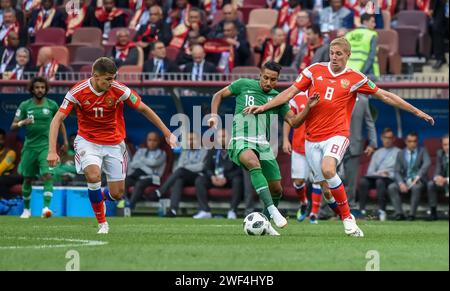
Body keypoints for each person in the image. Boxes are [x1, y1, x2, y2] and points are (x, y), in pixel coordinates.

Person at [244, 37, 434, 237]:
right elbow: (290, 92)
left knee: (328, 169)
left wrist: (416, 111)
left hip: (337, 135)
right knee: (326, 192)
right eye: (332, 53)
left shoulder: (355, 78)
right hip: (311, 139)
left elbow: (385, 95)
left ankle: (347, 219)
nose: (334, 57)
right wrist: (264, 106)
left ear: (348, 55)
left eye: (339, 54)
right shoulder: (314, 70)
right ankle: (344, 215)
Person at [47, 57, 177, 234]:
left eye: (113, 78)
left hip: (114, 143)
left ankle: (97, 198)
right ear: (95, 75)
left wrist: (167, 133)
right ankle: (102, 223)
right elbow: (57, 119)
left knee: (117, 194)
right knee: (93, 176)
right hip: (88, 141)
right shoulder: (77, 92)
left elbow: (144, 109)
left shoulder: (119, 90)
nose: (111, 82)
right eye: (108, 79)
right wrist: (52, 151)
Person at [208, 61, 320, 235]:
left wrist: (308, 109)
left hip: (262, 144)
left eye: (273, 79)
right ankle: (274, 213)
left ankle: (266, 224)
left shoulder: (278, 98)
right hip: (240, 139)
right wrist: (214, 116)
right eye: (266, 78)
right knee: (253, 163)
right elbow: (218, 95)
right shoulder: (243, 84)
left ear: (278, 79)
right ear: (260, 75)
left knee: (277, 189)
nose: (268, 82)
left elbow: (295, 122)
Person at [11, 76, 69, 219]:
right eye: (37, 87)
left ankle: (46, 209)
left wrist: (65, 141)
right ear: (32, 89)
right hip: (30, 147)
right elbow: (13, 126)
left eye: (42, 87)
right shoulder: (25, 105)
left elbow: (60, 122)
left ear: (46, 89)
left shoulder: (52, 105)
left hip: (46, 147)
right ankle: (26, 210)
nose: (40, 90)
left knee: (48, 175)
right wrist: (22, 122)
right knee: (28, 178)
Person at [283, 91, 341, 224]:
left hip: (318, 145)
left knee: (319, 181)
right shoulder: (297, 96)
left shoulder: (325, 93)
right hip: (299, 146)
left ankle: (314, 213)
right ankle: (304, 203)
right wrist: (286, 139)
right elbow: (288, 119)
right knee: (298, 181)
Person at [153, 132, 208, 217]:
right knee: (178, 180)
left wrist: (185, 167)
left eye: (193, 139)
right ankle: (173, 210)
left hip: (199, 177)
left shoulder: (204, 150)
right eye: (189, 139)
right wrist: (185, 168)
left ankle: (161, 190)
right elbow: (179, 166)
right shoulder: (185, 150)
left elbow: (201, 166)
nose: (191, 141)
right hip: (186, 176)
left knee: (180, 171)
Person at [193, 128, 243, 219]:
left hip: (229, 180)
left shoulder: (236, 150)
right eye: (219, 136)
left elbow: (240, 170)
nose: (222, 138)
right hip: (215, 179)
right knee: (199, 180)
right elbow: (206, 168)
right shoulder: (213, 150)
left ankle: (232, 210)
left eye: (224, 136)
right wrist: (212, 177)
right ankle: (205, 210)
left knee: (238, 180)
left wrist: (226, 178)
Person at [342, 93, 377, 209]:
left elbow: (369, 122)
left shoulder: (363, 100)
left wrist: (372, 143)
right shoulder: (336, 95)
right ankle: (324, 211)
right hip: (334, 143)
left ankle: (349, 210)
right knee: (330, 178)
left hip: (354, 145)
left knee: (351, 182)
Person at [388, 132, 431, 221]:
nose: (412, 143)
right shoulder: (401, 153)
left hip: (418, 180)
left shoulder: (423, 151)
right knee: (391, 187)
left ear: (417, 142)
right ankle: (399, 213)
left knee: (416, 187)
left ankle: (412, 215)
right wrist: (400, 183)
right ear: (406, 141)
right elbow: (396, 171)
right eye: (410, 141)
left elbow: (427, 163)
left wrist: (418, 176)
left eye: (414, 141)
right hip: (405, 180)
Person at [358, 127, 399, 220]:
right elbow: (370, 171)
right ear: (381, 138)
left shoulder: (398, 152)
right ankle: (362, 210)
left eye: (390, 138)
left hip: (390, 178)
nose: (387, 140)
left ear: (393, 139)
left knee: (380, 181)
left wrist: (388, 174)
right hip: (377, 176)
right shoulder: (377, 153)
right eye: (385, 137)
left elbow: (399, 171)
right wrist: (379, 173)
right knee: (363, 181)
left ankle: (382, 211)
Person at [125, 131, 167, 210]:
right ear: (146, 141)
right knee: (126, 181)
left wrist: (141, 161)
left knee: (140, 183)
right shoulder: (141, 151)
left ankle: (130, 206)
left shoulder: (162, 153)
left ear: (158, 142)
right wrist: (146, 165)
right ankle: (124, 201)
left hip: (155, 178)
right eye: (150, 140)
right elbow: (133, 164)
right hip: (139, 176)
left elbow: (154, 163)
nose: (152, 143)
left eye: (154, 140)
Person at [345, 13, 380, 80]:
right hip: (366, 73)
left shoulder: (349, 34)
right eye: (372, 21)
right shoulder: (372, 34)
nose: (374, 24)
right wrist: (361, 73)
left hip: (348, 72)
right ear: (365, 22)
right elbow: (371, 56)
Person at [427, 134, 449, 220]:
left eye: (449, 144)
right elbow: (437, 170)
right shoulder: (440, 153)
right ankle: (433, 212)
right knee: (431, 184)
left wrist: (446, 180)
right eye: (445, 145)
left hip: (447, 181)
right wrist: (437, 178)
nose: (447, 147)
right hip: (443, 183)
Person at [0, 128, 21, 199]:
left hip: (11, 176)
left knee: (1, 180)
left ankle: (10, 200)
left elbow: (1, 169)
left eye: (0, 139)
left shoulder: (11, 154)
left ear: (4, 140)